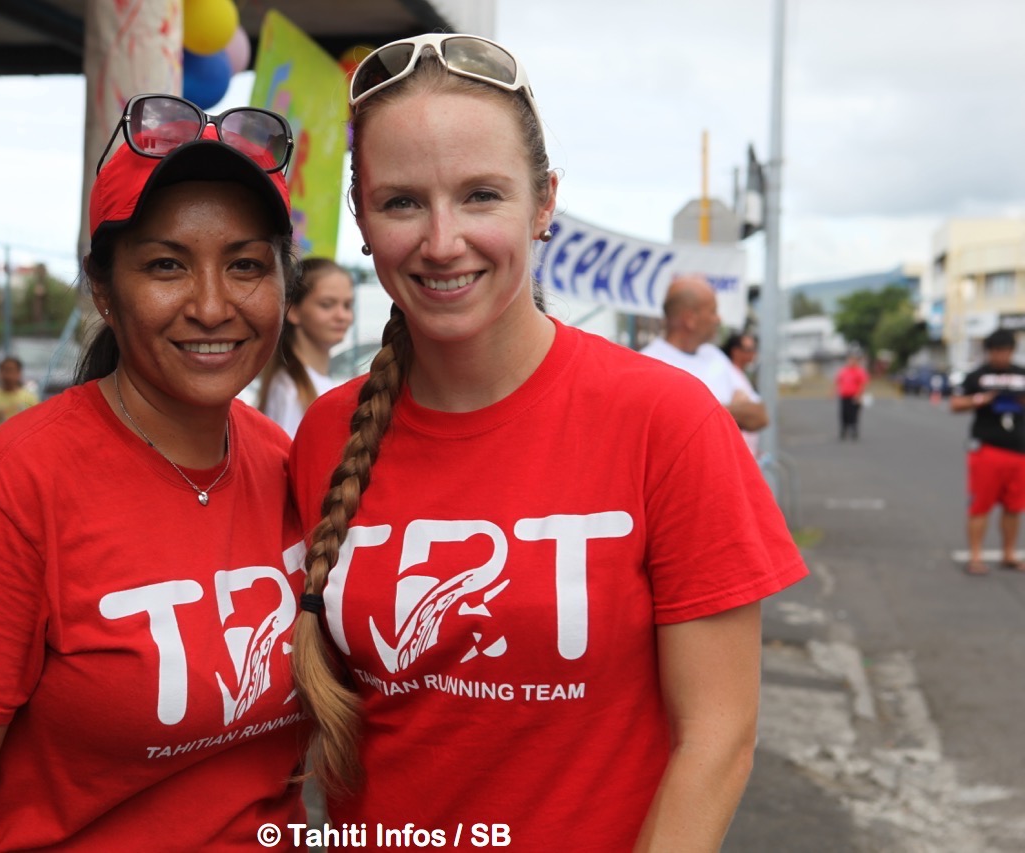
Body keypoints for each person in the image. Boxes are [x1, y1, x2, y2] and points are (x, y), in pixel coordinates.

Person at [286, 34, 808, 851]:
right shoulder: (325, 434)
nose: (442, 240)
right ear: (360, 217)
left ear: (543, 204)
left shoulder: (666, 419)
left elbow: (717, 738)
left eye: (481, 195)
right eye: (401, 202)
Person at [0, 94, 310, 851]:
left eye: (246, 265)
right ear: (105, 291)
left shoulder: (286, 463)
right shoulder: (3, 497)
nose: (212, 305)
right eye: (167, 265)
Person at [640, 275, 769, 433]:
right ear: (690, 319)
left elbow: (760, 415)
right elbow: (671, 430)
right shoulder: (648, 365)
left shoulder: (714, 355)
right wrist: (734, 409)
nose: (718, 319)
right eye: (713, 311)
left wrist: (702, 415)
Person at [949, 328, 1025, 576]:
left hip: (1018, 450)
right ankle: (975, 556)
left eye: (1006, 351)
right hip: (987, 449)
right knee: (980, 505)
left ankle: (1009, 553)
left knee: (1014, 506)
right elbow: (955, 404)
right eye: (996, 352)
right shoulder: (977, 376)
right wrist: (982, 400)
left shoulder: (1021, 375)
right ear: (988, 352)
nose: (1001, 356)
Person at [257, 257, 355, 436]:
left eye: (347, 305)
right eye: (327, 305)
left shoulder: (314, 382)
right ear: (293, 311)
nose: (342, 316)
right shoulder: (289, 390)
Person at [722, 331, 764, 457]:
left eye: (754, 349)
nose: (753, 353)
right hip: (737, 452)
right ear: (736, 351)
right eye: (749, 349)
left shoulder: (740, 374)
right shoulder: (728, 374)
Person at [834, 350, 870, 440]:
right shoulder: (843, 370)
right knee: (844, 414)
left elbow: (863, 384)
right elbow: (838, 381)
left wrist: (859, 395)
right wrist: (833, 392)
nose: (851, 362)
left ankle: (854, 431)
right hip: (844, 396)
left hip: (854, 396)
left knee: (853, 414)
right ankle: (843, 431)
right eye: (850, 359)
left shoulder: (859, 371)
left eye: (853, 360)